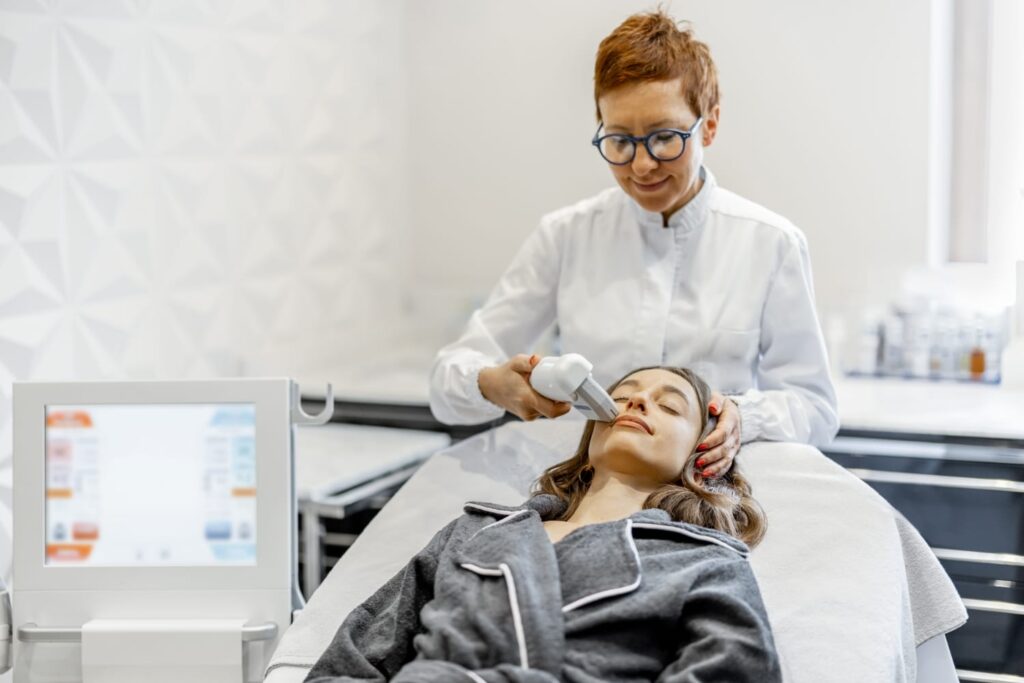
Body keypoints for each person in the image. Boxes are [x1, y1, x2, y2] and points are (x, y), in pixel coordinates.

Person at [429, 9, 839, 481]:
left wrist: (744, 417)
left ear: (709, 125)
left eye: (665, 138)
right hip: (586, 492)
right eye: (621, 141)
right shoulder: (565, 236)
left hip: (707, 498)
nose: (642, 166)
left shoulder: (771, 243)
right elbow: (446, 382)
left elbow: (815, 407)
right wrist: (491, 384)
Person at [306, 366, 781, 682]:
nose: (636, 402)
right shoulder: (474, 531)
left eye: (670, 406)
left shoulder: (704, 562)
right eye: (619, 398)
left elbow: (735, 670)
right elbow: (354, 659)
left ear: (702, 456)